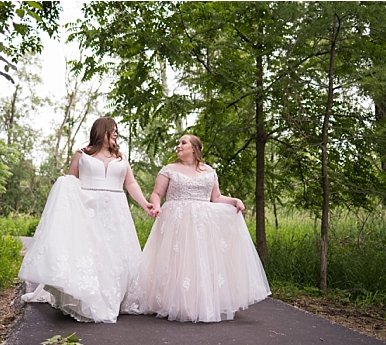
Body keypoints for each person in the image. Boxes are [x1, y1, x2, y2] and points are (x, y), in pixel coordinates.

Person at [20, 117, 157, 322]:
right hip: (88, 210)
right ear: (100, 131)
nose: (116, 134)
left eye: (117, 131)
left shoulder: (121, 158)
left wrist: (144, 203)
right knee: (92, 254)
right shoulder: (82, 155)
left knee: (116, 255)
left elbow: (131, 183)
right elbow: (69, 183)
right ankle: (90, 297)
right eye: (112, 130)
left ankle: (117, 297)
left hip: (116, 212)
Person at [122, 133, 270, 322]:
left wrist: (234, 200)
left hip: (202, 222)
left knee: (199, 262)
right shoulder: (169, 169)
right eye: (178, 143)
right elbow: (157, 194)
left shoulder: (209, 171)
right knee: (177, 260)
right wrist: (156, 206)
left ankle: (198, 303)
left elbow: (216, 198)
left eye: (183, 142)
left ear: (194, 148)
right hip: (176, 219)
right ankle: (171, 302)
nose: (179, 145)